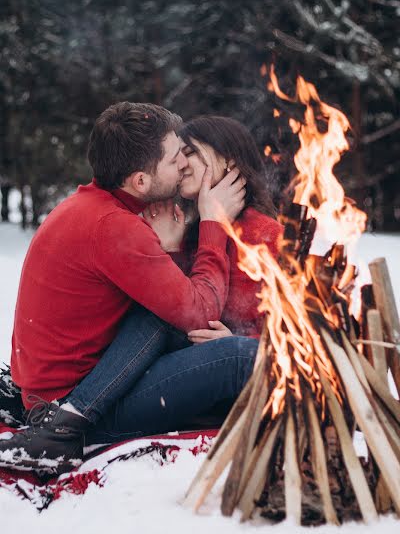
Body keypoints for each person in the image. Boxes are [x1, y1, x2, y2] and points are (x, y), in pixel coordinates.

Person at [0, 102, 259, 473]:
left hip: (69, 384)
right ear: (140, 181)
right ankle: (62, 431)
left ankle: (61, 421)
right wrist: (214, 224)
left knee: (164, 318)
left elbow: (171, 307)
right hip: (83, 402)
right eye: (174, 159)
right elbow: (201, 312)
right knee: (239, 358)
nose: (184, 164)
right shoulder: (114, 228)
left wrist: (170, 250)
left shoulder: (88, 206)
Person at [144, 116, 283, 342]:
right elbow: (177, 315)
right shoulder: (195, 234)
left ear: (228, 157)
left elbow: (297, 327)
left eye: (189, 153)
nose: (181, 165)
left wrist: (236, 343)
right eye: (176, 158)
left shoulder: (266, 234)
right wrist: (171, 249)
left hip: (246, 369)